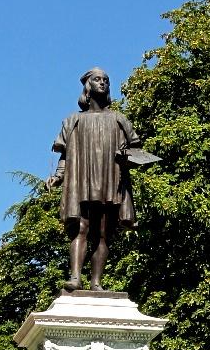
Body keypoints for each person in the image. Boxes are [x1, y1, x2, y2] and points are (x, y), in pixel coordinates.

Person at [46, 67, 142, 292]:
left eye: (106, 80)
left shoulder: (119, 119)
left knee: (103, 233)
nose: (103, 83)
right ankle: (76, 278)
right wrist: (58, 176)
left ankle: (96, 282)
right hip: (82, 181)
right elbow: (66, 155)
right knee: (81, 228)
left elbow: (136, 151)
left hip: (110, 180)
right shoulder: (74, 121)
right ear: (88, 86)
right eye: (97, 79)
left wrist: (127, 158)